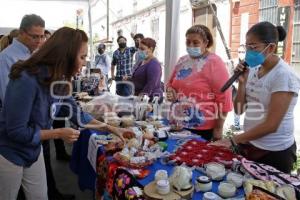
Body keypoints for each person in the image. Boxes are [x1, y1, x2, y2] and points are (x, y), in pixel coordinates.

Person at [0, 26, 126, 200]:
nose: (84, 62)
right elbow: (16, 131)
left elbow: (77, 114)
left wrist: (110, 128)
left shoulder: (60, 81)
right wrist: (58, 133)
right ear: (65, 55)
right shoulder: (26, 79)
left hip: (32, 151)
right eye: (82, 57)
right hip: (9, 154)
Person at [212, 22, 300, 173]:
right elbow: (239, 110)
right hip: (252, 145)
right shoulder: (253, 70)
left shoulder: (283, 75)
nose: (248, 52)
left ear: (271, 48)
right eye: (246, 47)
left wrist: (232, 140)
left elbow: (272, 125)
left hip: (275, 152)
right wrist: (242, 83)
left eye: (253, 47)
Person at [166, 24, 232, 141]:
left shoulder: (214, 62)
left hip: (201, 126)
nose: (191, 45)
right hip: (176, 123)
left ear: (206, 43)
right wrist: (170, 90)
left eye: (195, 43)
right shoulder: (182, 60)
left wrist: (218, 128)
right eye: (188, 42)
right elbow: (170, 84)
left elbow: (224, 98)